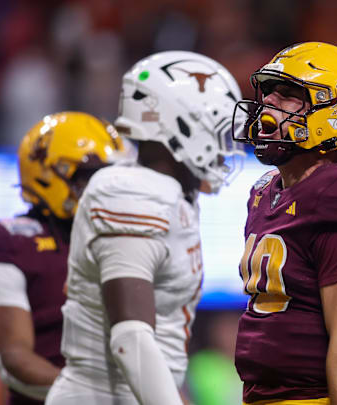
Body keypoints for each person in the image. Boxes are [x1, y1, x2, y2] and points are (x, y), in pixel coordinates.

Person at [45, 51, 245, 405]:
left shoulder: (167, 194)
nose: (223, 146)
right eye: (216, 130)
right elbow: (131, 338)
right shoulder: (132, 193)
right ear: (181, 125)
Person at [231, 41, 337, 405]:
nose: (268, 104)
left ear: (335, 111)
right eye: (268, 93)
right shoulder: (264, 191)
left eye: (288, 95)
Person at [0, 111, 123, 404]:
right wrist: (103, 398)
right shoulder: (10, 241)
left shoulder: (120, 241)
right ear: (49, 174)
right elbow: (15, 358)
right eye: (90, 177)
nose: (105, 189)